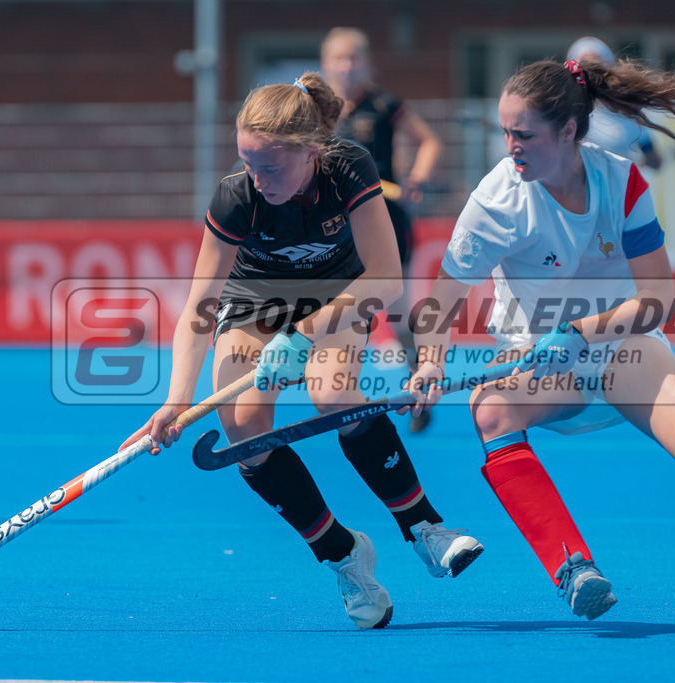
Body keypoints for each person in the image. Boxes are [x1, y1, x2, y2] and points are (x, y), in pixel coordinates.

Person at [402, 58, 675, 631]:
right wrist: (429, 361)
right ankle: (572, 568)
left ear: (569, 131)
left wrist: (581, 332)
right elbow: (441, 301)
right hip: (538, 357)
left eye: (523, 134)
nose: (510, 147)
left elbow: (658, 300)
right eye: (504, 132)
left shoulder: (620, 181)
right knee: (491, 408)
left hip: (618, 347)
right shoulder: (496, 201)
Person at [119, 72, 483, 630]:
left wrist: (304, 333)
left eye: (270, 167)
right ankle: (343, 555)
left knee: (335, 394)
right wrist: (175, 399)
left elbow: (386, 280)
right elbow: (201, 305)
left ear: (311, 153)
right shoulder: (237, 195)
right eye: (247, 163)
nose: (257, 178)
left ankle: (425, 529)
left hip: (339, 294)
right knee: (243, 431)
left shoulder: (349, 168)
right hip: (254, 303)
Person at [321, 26, 444, 432]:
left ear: (367, 64)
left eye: (353, 58)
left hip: (387, 222)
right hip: (337, 227)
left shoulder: (384, 104)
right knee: (341, 309)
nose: (346, 66)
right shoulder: (318, 111)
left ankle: (420, 377)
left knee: (393, 310)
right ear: (325, 65)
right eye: (339, 58)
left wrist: (417, 178)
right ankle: (343, 393)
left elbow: (429, 142)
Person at [566, 36, 662, 170]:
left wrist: (641, 162)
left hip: (618, 188)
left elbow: (654, 161)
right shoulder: (565, 110)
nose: (592, 72)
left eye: (597, 64)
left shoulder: (629, 111)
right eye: (586, 65)